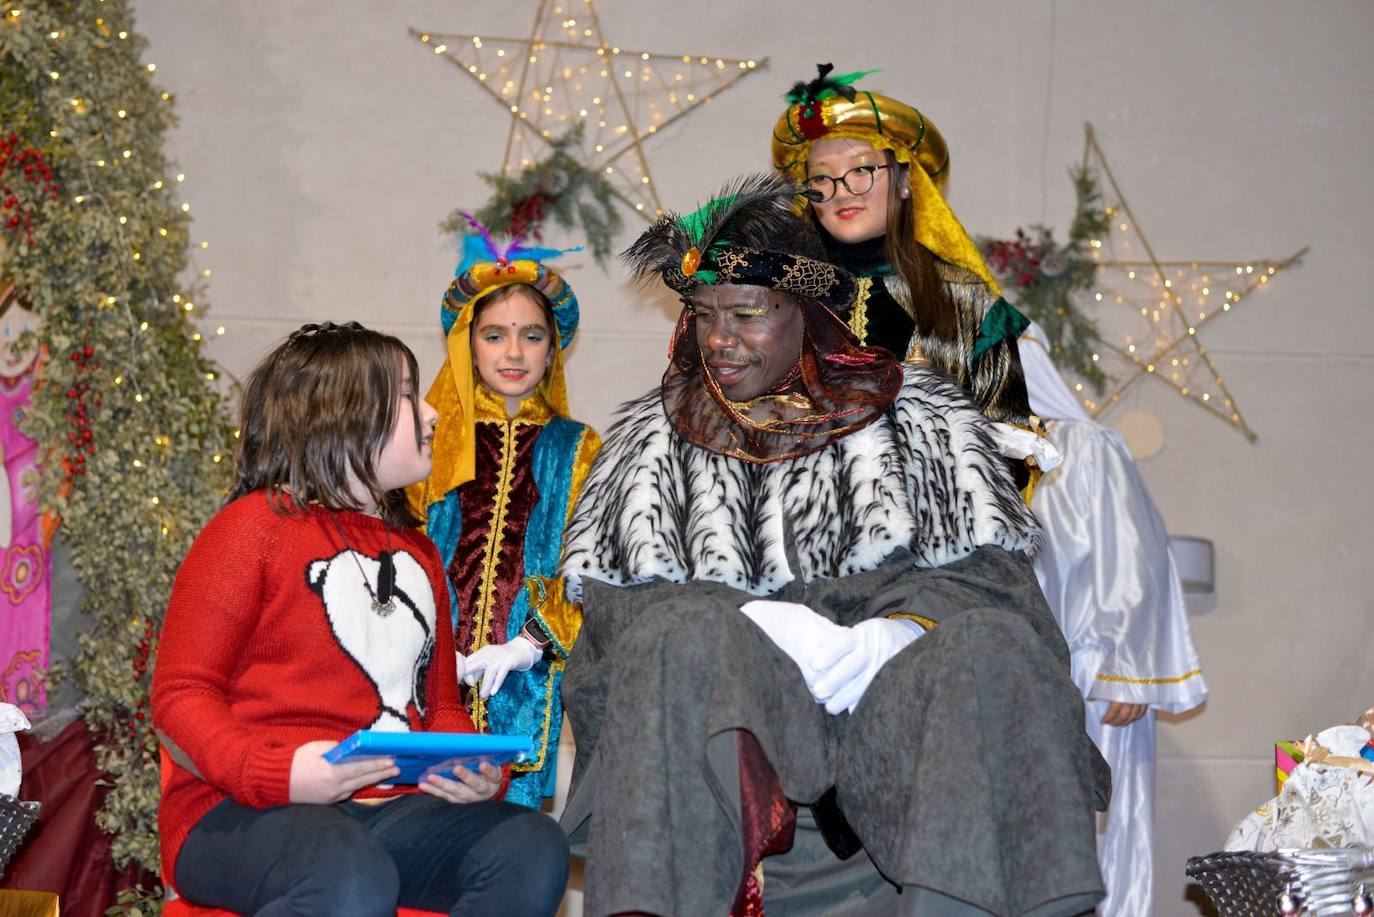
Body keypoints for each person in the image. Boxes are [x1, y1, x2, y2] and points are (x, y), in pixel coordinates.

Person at [558, 175, 1109, 916]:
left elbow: (998, 585)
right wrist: (746, 620)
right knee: (679, 632)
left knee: (989, 645)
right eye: (703, 315)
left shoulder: (925, 423)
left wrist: (896, 633)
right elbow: (613, 627)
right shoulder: (650, 442)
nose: (719, 339)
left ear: (812, 314)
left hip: (899, 720)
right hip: (734, 726)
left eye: (748, 313)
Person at [151, 322, 569, 916]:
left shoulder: (420, 553)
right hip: (243, 813)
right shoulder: (251, 529)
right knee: (347, 869)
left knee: (529, 844)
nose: (430, 413)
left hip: (389, 812)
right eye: (405, 393)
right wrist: (279, 774)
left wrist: (475, 770)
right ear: (340, 416)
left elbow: (442, 706)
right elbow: (179, 697)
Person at [407, 225, 601, 808]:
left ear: (552, 348)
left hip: (523, 680)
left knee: (504, 848)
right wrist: (424, 642)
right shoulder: (429, 435)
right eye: (495, 335)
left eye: (531, 336)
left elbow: (590, 565)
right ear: (468, 344)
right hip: (422, 674)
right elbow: (395, 549)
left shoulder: (578, 445)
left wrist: (529, 643)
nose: (514, 353)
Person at [1019, 324, 1207, 917]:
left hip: (1093, 678)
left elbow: (1135, 554)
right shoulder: (974, 456)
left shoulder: (1085, 447)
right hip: (1011, 679)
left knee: (1100, 837)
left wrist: (1128, 667)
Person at [770, 64, 1032, 428]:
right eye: (821, 176)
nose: (841, 188)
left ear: (905, 180)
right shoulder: (776, 300)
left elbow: (1012, 448)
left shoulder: (970, 305)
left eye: (861, 169)